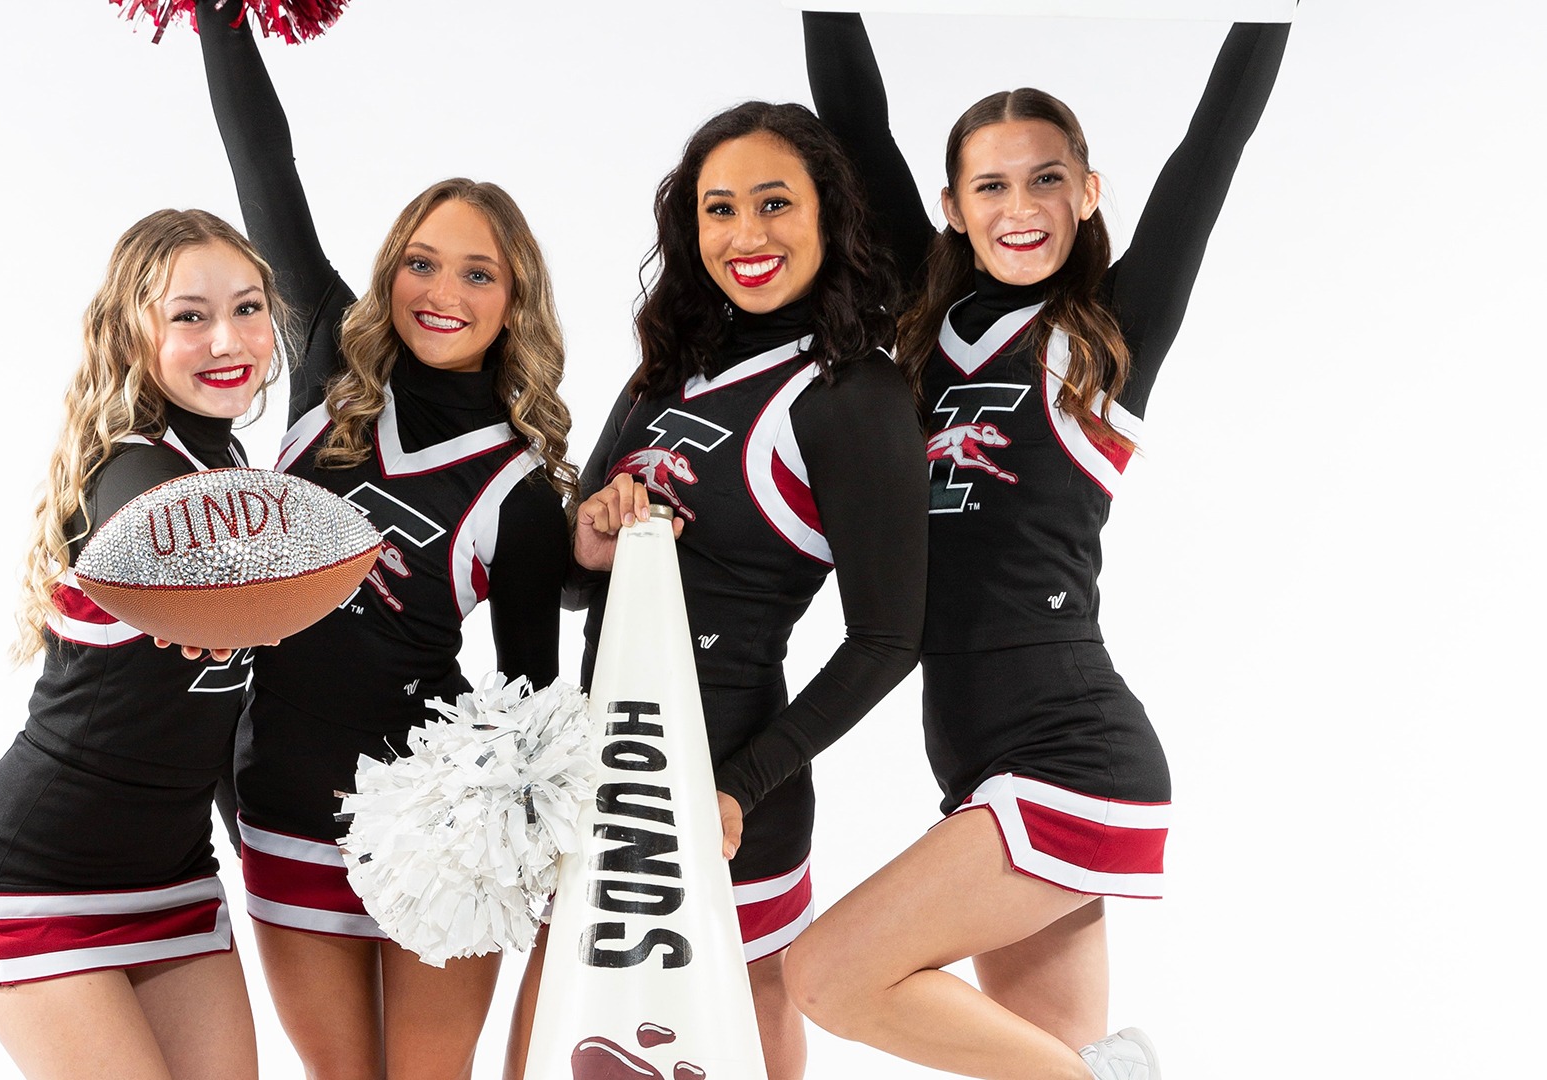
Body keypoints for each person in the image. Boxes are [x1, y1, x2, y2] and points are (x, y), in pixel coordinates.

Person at [784, 13, 1292, 1080]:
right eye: (993, 186)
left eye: (1048, 179)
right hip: (972, 759)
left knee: (827, 978)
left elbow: (1211, 151)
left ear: (1089, 193)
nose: (1021, 207)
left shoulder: (1107, 337)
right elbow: (854, 117)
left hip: (1069, 750)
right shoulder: (928, 333)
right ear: (952, 209)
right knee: (1049, 1062)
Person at [195, 4, 575, 1077]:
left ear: (515, 303)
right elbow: (261, 164)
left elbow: (531, 701)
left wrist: (510, 842)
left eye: (477, 273)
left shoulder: (522, 484)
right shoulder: (327, 362)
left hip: (435, 830)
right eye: (421, 262)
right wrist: (221, 20)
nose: (441, 292)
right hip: (281, 801)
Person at [517, 100, 928, 1080]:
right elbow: (578, 582)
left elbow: (890, 638)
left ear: (831, 215)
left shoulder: (853, 394)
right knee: (566, 1044)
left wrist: (738, 786)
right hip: (601, 777)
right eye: (719, 209)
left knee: (734, 1050)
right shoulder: (668, 370)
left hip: (728, 792)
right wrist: (590, 532)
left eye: (775, 203)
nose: (746, 236)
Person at [0, 207, 290, 1080]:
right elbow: (138, 529)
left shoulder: (232, 473)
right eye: (190, 315)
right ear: (131, 334)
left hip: (172, 877)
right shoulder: (130, 469)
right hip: (35, 876)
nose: (227, 337)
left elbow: (221, 720)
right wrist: (183, 596)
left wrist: (258, 855)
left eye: (247, 307)